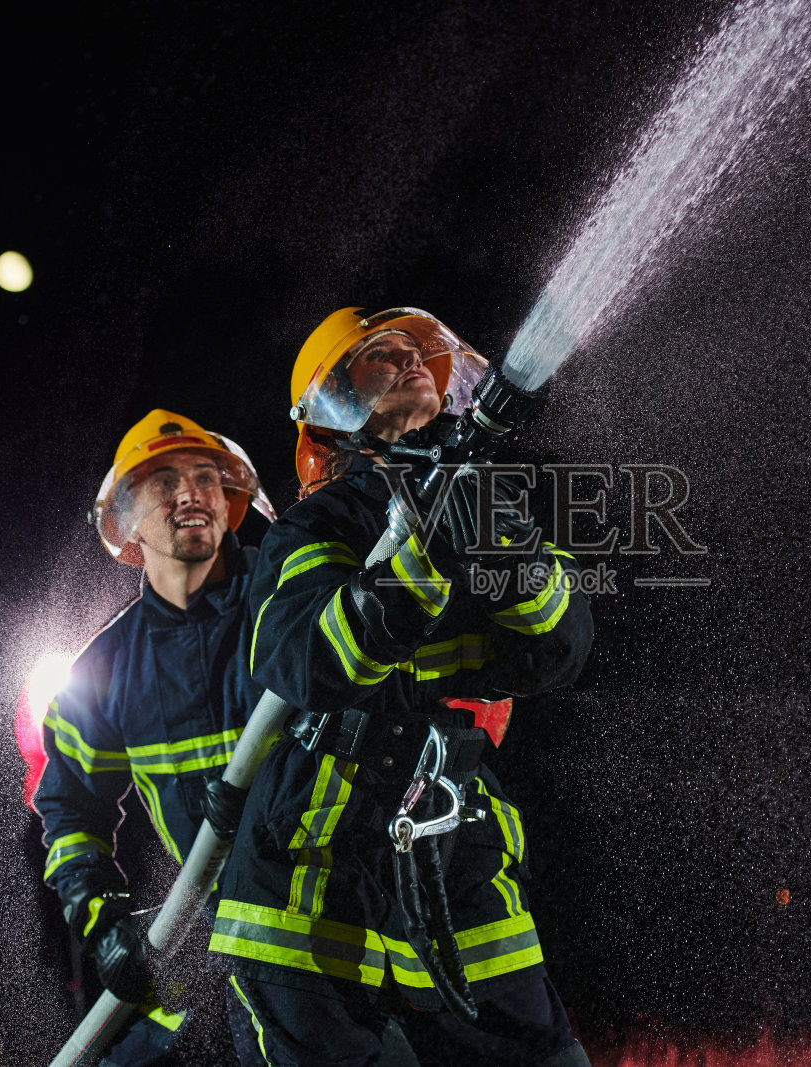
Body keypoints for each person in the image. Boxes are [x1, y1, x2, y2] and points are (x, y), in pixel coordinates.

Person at [209, 308, 595, 1065]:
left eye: (418, 352)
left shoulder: (489, 508)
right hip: (310, 865)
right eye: (383, 358)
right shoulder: (313, 528)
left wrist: (501, 545)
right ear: (334, 413)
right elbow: (306, 662)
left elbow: (560, 646)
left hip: (457, 845)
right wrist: (416, 562)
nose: (413, 362)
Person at [35, 409, 275, 1065]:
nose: (191, 492)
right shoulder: (106, 669)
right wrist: (104, 924)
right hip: (211, 928)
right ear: (128, 523)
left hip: (327, 914)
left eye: (205, 477)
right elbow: (69, 809)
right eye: (164, 482)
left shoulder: (287, 598)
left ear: (228, 506)